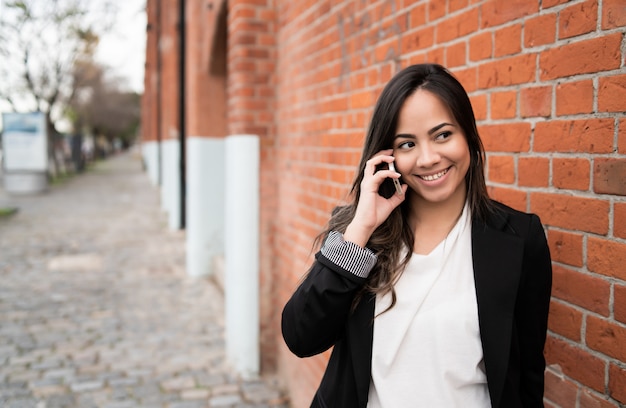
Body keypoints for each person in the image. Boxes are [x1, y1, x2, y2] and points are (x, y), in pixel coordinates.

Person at [281, 63, 552, 408]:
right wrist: (362, 228)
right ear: (387, 156)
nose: (428, 158)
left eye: (442, 135)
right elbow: (301, 337)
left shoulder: (519, 239)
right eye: (407, 144)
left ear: (467, 135)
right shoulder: (359, 236)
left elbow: (527, 371)